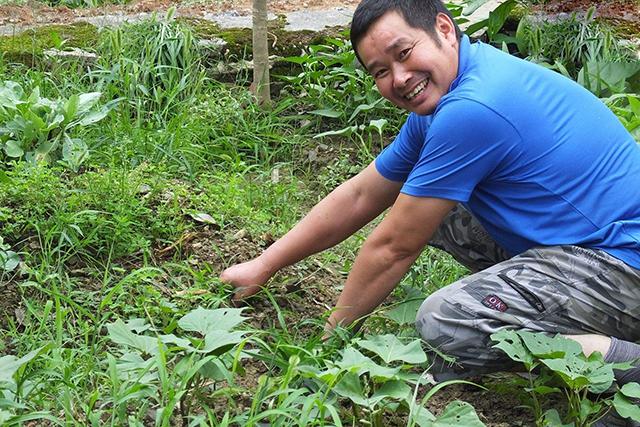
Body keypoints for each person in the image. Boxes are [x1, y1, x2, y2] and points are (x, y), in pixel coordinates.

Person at [221, 0, 640, 407]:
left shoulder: (475, 108)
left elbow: (393, 247)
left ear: (443, 29)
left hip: (625, 265)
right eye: (380, 72)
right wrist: (265, 265)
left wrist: (329, 343)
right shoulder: (451, 93)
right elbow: (362, 194)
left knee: (448, 322)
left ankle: (629, 367)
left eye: (403, 54)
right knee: (434, 209)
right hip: (590, 247)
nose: (399, 78)